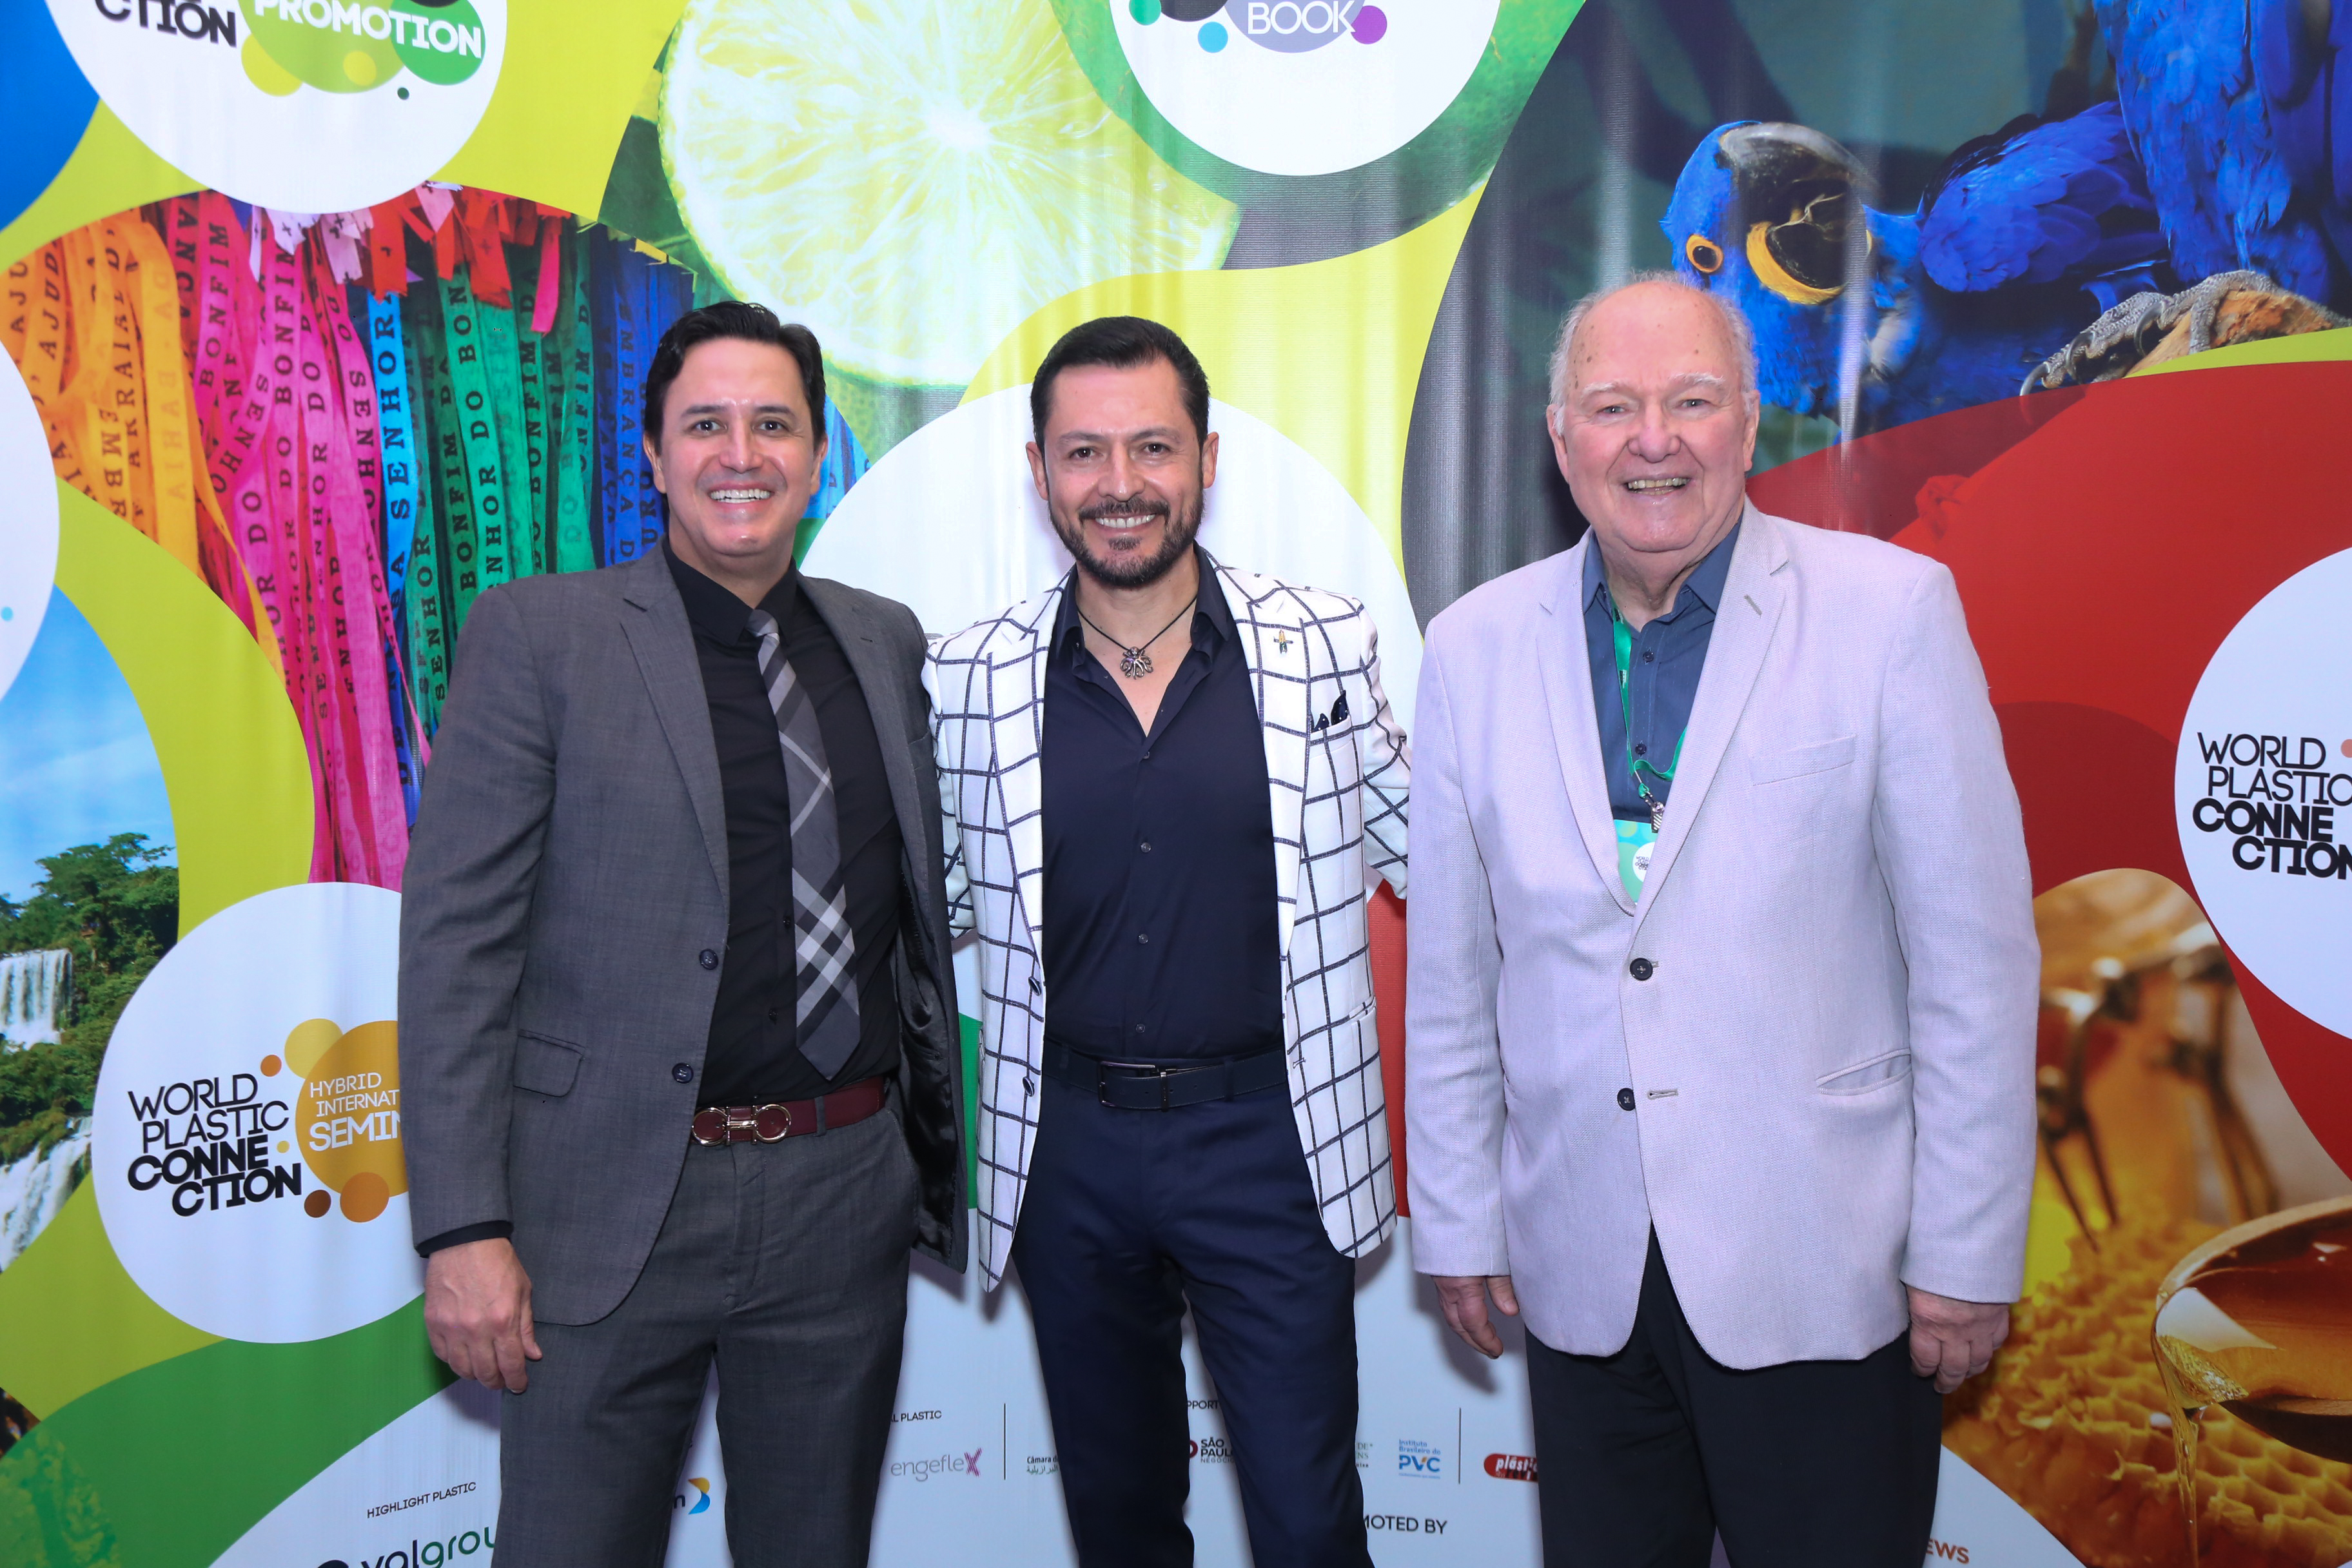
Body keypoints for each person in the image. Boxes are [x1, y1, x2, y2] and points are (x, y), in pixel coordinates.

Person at [1405, 274, 2038, 1566]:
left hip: (1827, 1273)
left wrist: (1967, 1250)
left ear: (1750, 423)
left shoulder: (1890, 615)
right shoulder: (1473, 650)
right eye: (1613, 407)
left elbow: (1973, 965)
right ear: (1561, 437)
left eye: (1692, 401)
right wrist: (1459, 1220)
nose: (1655, 440)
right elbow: (1456, 978)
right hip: (1583, 1277)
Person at [399, 300, 965, 1568]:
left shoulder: (881, 639)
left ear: (816, 456)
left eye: (774, 424)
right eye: (705, 425)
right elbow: (455, 953)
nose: (740, 455)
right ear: (652, 454)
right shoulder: (540, 636)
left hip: (840, 1196)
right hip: (604, 1206)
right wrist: (462, 1227)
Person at [925, 316, 1410, 1567]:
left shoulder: (1325, 643)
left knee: (1309, 1526)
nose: (1120, 483)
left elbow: (1435, 855)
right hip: (1067, 1152)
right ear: (1038, 472)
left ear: (1207, 458)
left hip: (1275, 1142)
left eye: (1152, 446)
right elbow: (927, 908)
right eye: (1084, 452)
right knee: (1121, 1524)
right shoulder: (966, 677)